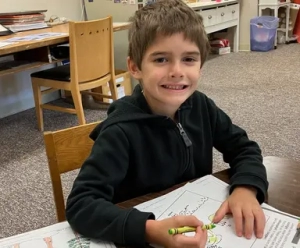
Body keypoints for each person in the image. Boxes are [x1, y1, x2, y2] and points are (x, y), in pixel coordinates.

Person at [65, 0, 268, 247]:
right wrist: (148, 230)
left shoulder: (201, 106)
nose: (177, 71)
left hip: (198, 221)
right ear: (135, 67)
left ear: (201, 66)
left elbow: (244, 148)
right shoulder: (120, 131)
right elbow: (81, 204)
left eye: (189, 59)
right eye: (161, 59)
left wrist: (246, 188)